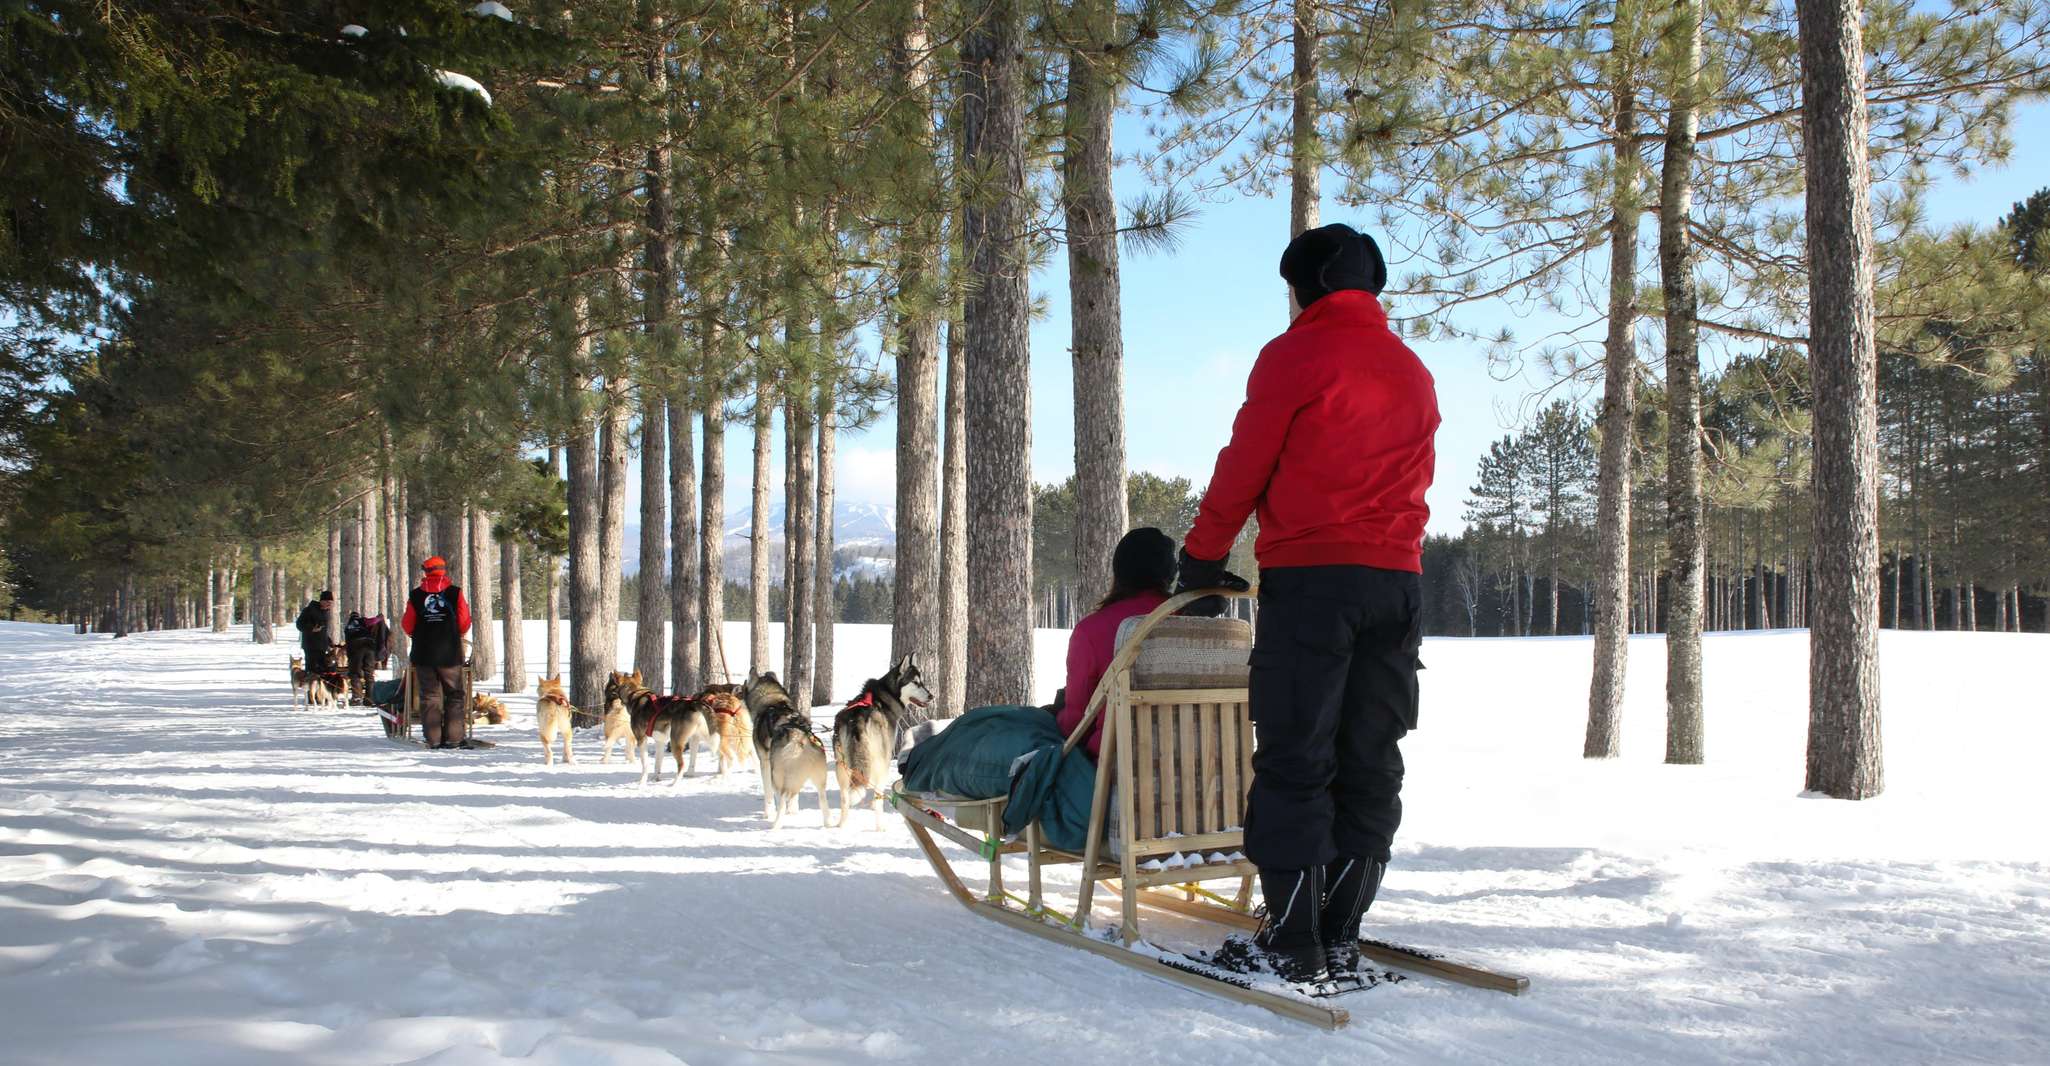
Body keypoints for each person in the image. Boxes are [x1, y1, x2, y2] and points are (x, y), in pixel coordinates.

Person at [1177, 223, 1440, 984]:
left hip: (1312, 581)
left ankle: (1292, 939)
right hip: (1398, 586)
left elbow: (1244, 465)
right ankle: (1342, 929)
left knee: (1296, 755)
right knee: (1371, 757)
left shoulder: (1295, 356)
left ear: (1308, 287)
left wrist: (1200, 557)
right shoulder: (1413, 370)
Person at [1055, 528, 1177, 756]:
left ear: (1119, 571)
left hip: (1116, 767)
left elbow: (1075, 724)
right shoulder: (1192, 624)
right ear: (1170, 573)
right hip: (1201, 763)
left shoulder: (1092, 630)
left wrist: (1055, 715)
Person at [401, 556, 473, 749]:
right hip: (449, 654)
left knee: (429, 696)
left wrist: (418, 634)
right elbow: (465, 621)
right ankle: (454, 738)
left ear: (426, 571)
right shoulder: (454, 593)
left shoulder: (415, 595)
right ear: (443, 570)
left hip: (424, 653)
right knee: (455, 694)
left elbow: (407, 624)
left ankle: (433, 739)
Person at [342, 610, 392, 706]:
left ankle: (357, 697)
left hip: (356, 647)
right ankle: (370, 698)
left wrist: (350, 657)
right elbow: (373, 621)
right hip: (369, 646)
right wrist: (379, 618)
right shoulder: (363, 621)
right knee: (369, 673)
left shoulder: (348, 627)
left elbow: (348, 643)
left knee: (355, 673)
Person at [295, 590, 337, 673]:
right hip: (311, 645)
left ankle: (321, 685)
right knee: (312, 670)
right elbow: (299, 624)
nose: (329, 604)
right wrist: (311, 629)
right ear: (322, 601)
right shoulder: (309, 610)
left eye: (331, 602)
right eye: (327, 601)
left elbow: (323, 631)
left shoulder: (325, 612)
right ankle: (310, 684)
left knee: (324, 670)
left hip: (322, 646)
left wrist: (328, 640)